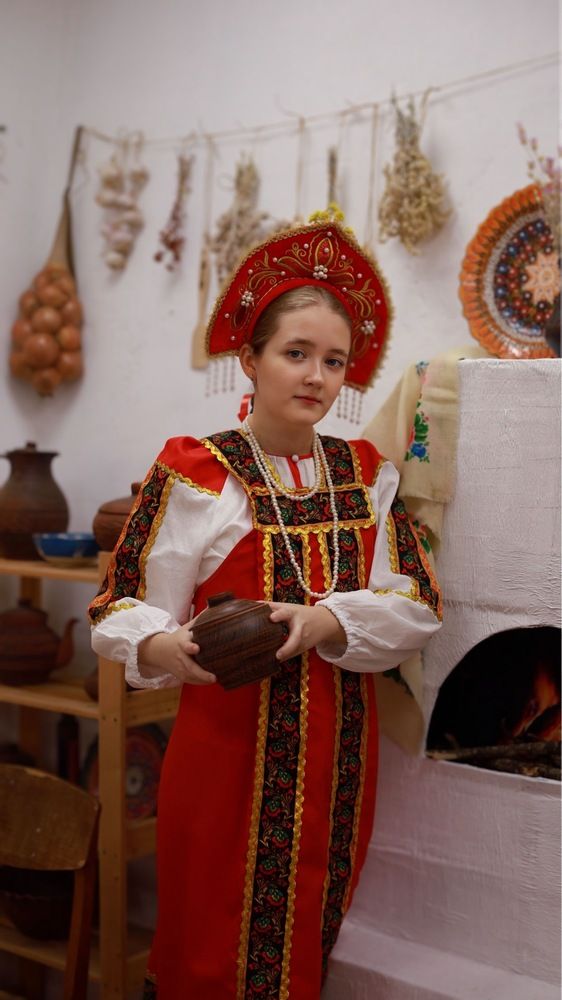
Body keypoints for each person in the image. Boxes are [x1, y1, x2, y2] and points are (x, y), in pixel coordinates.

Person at [88, 217, 442, 1000]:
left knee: (306, 943)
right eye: (296, 353)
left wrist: (327, 622)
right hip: (223, 758)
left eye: (334, 361)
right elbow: (118, 606)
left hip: (339, 765)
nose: (316, 376)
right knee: (207, 951)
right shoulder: (198, 473)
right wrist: (162, 648)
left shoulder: (367, 475)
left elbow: (417, 601)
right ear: (250, 358)